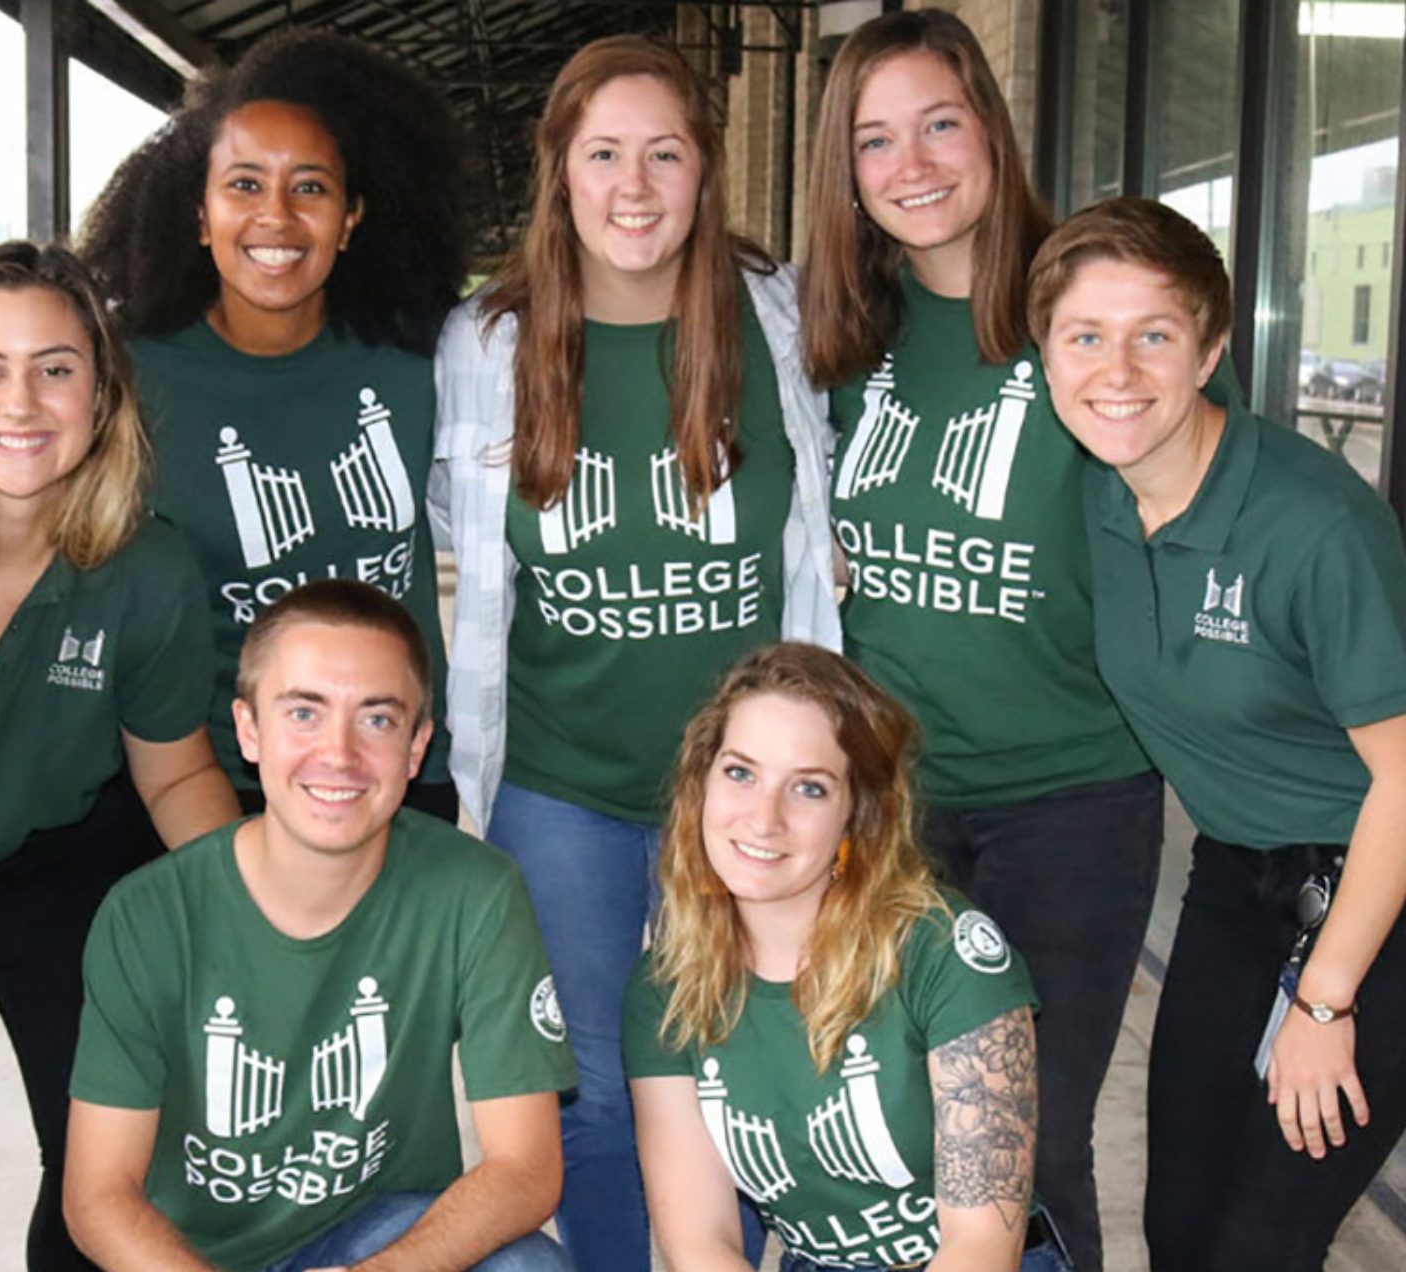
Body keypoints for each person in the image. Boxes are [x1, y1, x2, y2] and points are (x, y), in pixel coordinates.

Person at [796, 14, 1197, 1268]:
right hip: (894, 805)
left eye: (939, 123)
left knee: (1023, 1139)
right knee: (902, 1124)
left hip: (1068, 802)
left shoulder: (1082, 312)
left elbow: (1208, 497)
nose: (911, 163)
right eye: (875, 139)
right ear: (844, 171)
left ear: (992, 127)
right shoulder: (842, 335)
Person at [432, 34, 838, 1270]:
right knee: (598, 1098)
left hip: (753, 791)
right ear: (559, 172)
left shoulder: (777, 321)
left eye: (666, 153)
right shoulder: (487, 345)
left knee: (764, 1082)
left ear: (707, 173)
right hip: (568, 791)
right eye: (603, 153)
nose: (636, 185)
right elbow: (460, 535)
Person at [1029, 196, 1406, 1272]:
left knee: (1258, 1242)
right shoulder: (1098, 501)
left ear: (1210, 351)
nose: (1119, 369)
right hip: (1240, 875)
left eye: (1154, 334)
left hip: (1382, 890)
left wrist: (1325, 1002)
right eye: (1085, 336)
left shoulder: (1311, 524)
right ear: (1046, 355)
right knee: (1179, 1227)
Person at [0, 242, 239, 1271]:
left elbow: (175, 772)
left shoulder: (145, 564)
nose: (19, 402)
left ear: (102, 389)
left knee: (107, 1148)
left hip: (57, 856)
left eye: (55, 368)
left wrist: (260, 907)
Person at [64, 579, 577, 1272]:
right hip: (197, 1258)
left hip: (378, 1235)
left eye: (377, 719)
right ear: (248, 730)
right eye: (304, 712)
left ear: (418, 746)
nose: (338, 754)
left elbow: (526, 1169)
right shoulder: (147, 915)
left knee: (527, 1268)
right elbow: (98, 1196)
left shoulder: (476, 891)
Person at [79, 28, 464, 819]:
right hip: (219, 783)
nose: (277, 218)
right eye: (245, 185)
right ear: (199, 213)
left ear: (352, 217)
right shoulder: (129, 379)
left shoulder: (419, 360)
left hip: (401, 772)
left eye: (311, 188)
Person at [624, 642, 1060, 1272]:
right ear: (701, 783)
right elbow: (700, 1239)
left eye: (809, 788)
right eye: (740, 772)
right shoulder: (666, 987)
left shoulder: (944, 949)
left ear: (858, 815)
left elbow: (982, 1245)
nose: (763, 818)